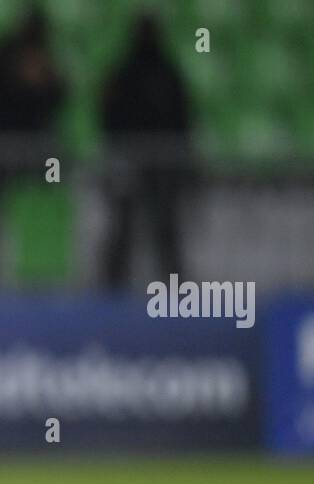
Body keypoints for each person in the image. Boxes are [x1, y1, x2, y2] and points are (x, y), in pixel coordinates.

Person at [0, 4, 67, 285]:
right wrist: (20, 83)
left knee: (47, 207)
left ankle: (44, 273)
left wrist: (43, 83)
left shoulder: (48, 59)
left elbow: (59, 99)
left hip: (37, 149)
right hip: (0, 146)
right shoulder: (1, 56)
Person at [98, 11, 192, 286]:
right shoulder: (134, 73)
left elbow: (182, 119)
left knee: (161, 229)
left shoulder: (165, 74)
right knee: (127, 227)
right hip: (133, 160)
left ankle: (174, 287)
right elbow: (108, 117)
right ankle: (113, 287)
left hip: (159, 164)